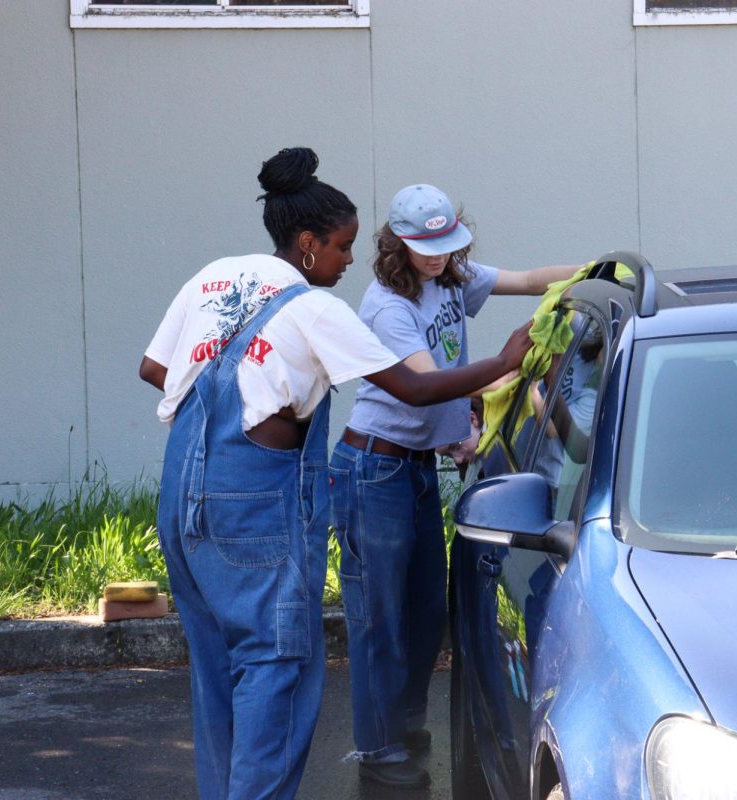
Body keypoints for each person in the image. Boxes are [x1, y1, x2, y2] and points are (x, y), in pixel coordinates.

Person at [138, 150, 530, 800]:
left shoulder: (213, 278)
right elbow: (411, 386)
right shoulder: (316, 310)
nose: (349, 261)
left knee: (216, 674)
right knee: (274, 665)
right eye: (343, 247)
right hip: (252, 497)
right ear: (307, 242)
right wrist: (502, 360)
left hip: (183, 492)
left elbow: (158, 370)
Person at [329, 183, 581, 788]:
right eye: (426, 247)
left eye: (447, 244)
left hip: (413, 466)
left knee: (424, 611)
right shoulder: (388, 305)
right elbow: (423, 385)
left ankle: (404, 725)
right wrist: (504, 363)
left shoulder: (448, 277)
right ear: (397, 243)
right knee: (380, 615)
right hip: (373, 469)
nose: (439, 256)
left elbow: (527, 280)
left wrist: (599, 272)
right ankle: (378, 749)